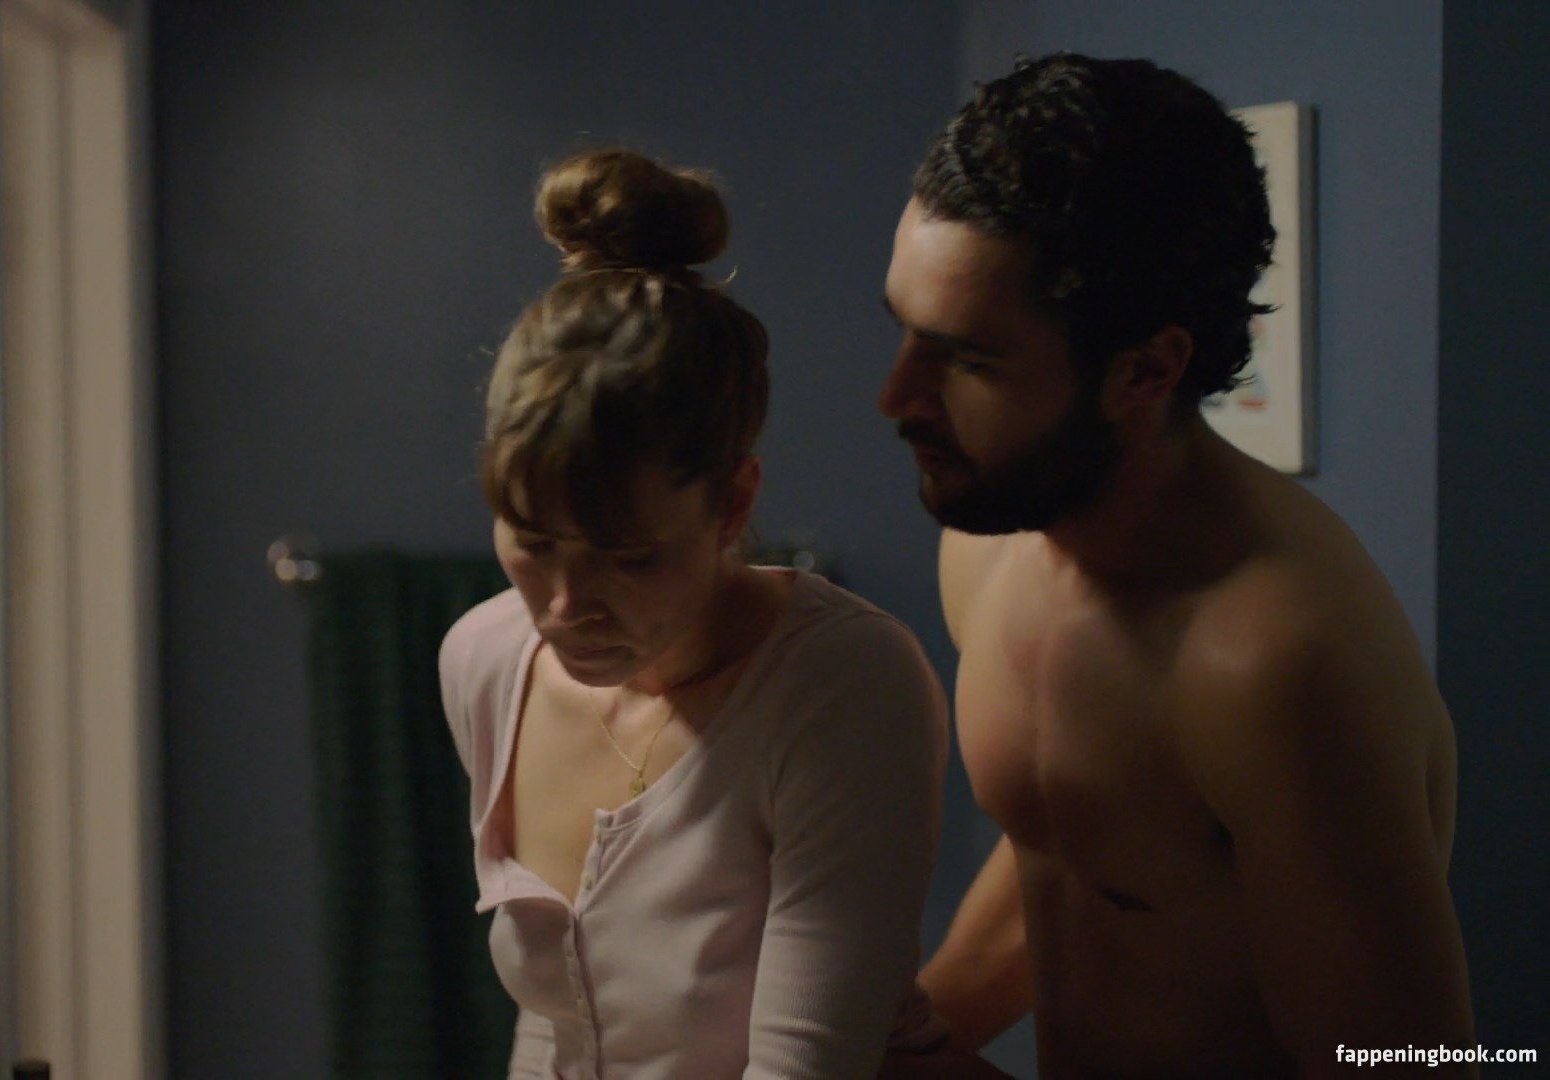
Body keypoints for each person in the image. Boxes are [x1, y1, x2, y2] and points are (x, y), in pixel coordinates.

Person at [878, 55, 1477, 1076]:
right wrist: (884, 1048)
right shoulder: (991, 550)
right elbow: (1090, 862)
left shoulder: (1273, 664)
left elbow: (1416, 1065)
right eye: (905, 332)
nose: (897, 398)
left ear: (1147, 371)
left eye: (968, 360)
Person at [439, 148, 952, 1077]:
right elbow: (553, 1021)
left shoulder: (842, 685)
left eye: (629, 556)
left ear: (732, 503)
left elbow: (805, 1066)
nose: (566, 607)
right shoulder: (483, 659)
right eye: (533, 541)